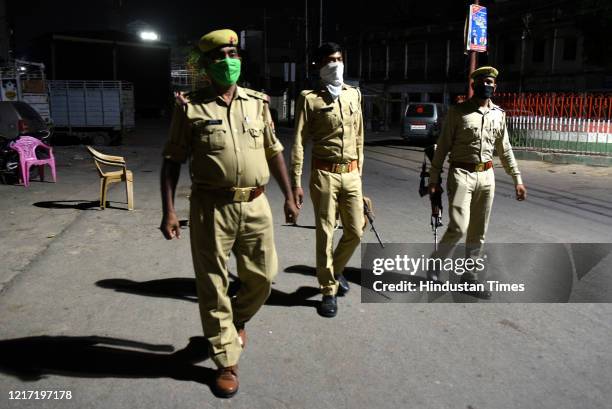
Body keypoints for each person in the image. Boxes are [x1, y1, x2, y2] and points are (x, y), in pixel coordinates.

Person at [159, 29, 298, 398]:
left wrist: (288, 194)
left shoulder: (257, 102)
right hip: (210, 207)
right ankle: (226, 360)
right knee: (212, 285)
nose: (227, 60)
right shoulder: (190, 106)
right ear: (206, 65)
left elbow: (274, 151)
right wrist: (169, 210)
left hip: (256, 204)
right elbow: (172, 161)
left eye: (232, 53)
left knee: (264, 278)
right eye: (219, 56)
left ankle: (235, 320)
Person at [428, 66, 527, 299]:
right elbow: (442, 147)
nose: (487, 85)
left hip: (487, 176)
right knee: (459, 227)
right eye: (483, 81)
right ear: (474, 85)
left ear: (496, 86)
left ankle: (469, 278)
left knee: (478, 231)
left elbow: (505, 150)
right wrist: (434, 179)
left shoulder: (499, 114)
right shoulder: (458, 112)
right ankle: (436, 264)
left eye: (491, 82)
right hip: (461, 173)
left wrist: (517, 180)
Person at [291, 42, 365, 317]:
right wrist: (296, 181)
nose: (336, 64)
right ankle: (328, 290)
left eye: (339, 59)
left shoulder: (354, 95)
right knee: (325, 233)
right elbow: (299, 142)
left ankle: (333, 271)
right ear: (319, 66)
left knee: (356, 230)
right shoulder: (309, 99)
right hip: (324, 174)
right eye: (330, 60)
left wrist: (360, 177)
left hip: (352, 174)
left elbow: (359, 139)